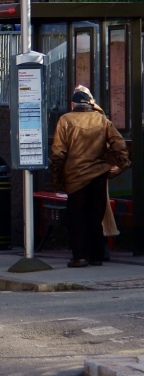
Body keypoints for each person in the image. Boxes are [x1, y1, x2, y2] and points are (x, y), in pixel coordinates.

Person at [49, 90, 129, 268]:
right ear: (90, 104)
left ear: (72, 104)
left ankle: (79, 257)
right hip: (98, 175)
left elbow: (58, 152)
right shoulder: (101, 119)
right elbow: (118, 142)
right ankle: (96, 257)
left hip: (74, 177)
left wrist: (56, 177)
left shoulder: (65, 120)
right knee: (96, 216)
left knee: (77, 218)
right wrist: (123, 163)